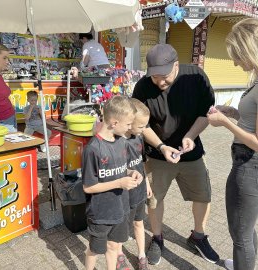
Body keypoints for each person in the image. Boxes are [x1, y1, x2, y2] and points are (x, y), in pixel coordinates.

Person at [207, 18, 258, 270]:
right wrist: (233, 113)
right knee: (245, 228)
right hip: (254, 166)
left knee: (240, 235)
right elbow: (256, 122)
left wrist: (224, 122)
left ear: (253, 50)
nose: (235, 62)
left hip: (252, 167)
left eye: (238, 55)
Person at [132, 44, 219, 265]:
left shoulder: (195, 77)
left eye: (165, 76)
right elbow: (141, 125)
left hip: (191, 151)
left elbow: (206, 111)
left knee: (203, 195)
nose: (160, 82)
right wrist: (161, 146)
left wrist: (190, 136)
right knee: (154, 199)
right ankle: (158, 238)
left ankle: (198, 236)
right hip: (158, 153)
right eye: (155, 77)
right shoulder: (142, 88)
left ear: (176, 66)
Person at [81, 95, 143, 270]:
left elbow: (121, 169)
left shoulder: (121, 142)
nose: (131, 128)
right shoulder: (93, 149)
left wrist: (132, 172)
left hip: (120, 208)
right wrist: (119, 183)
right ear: (114, 123)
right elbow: (88, 186)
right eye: (129, 124)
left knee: (114, 246)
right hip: (101, 213)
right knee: (95, 249)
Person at [117, 98, 153, 270]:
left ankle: (141, 256)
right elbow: (114, 170)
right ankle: (119, 255)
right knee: (121, 229)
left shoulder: (138, 138)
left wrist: (147, 184)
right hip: (124, 196)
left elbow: (141, 163)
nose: (144, 130)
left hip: (139, 192)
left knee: (139, 223)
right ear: (129, 123)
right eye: (141, 126)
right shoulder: (117, 143)